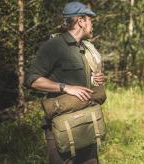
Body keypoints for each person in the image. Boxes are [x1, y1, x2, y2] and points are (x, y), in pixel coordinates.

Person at [25, 2, 105, 164]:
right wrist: (66, 87)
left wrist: (96, 79)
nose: (92, 25)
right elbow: (32, 79)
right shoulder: (55, 45)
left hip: (86, 124)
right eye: (90, 21)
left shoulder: (85, 48)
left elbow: (82, 80)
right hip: (62, 128)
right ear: (81, 21)